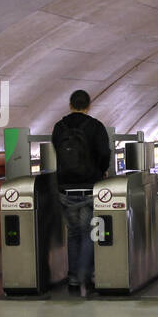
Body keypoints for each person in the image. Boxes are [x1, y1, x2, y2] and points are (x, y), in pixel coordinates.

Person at [52, 90, 111, 297]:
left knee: (74, 234)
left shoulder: (59, 127)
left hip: (65, 189)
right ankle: (87, 274)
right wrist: (101, 170)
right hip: (89, 188)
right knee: (88, 233)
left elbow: (57, 152)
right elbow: (104, 154)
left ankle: (74, 279)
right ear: (88, 106)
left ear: (70, 105)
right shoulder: (96, 127)